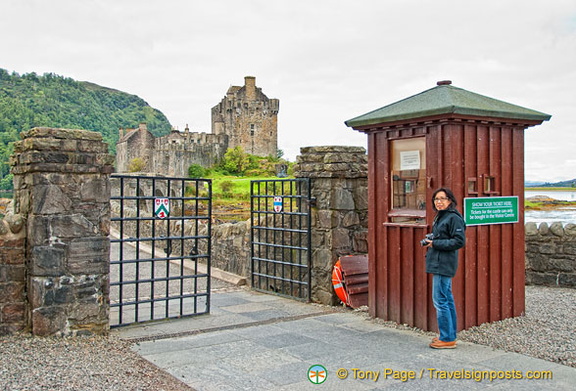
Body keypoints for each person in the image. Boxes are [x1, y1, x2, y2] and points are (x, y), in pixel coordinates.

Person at [423, 187, 466, 349]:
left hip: (444, 263)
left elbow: (459, 241)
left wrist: (435, 243)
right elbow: (445, 236)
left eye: (442, 198)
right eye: (436, 199)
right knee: (446, 298)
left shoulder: (453, 217)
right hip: (439, 261)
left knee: (440, 300)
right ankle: (448, 335)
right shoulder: (441, 216)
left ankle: (447, 339)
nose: (439, 202)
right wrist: (432, 239)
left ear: (450, 200)